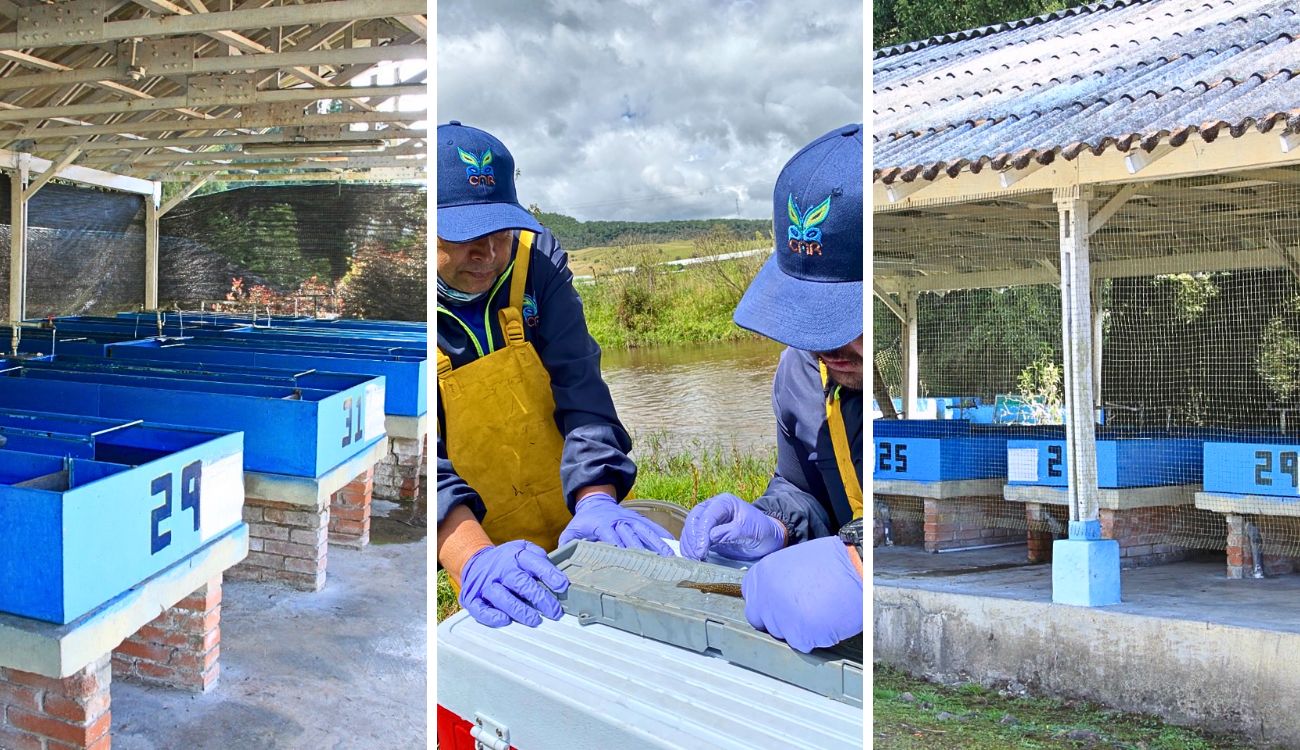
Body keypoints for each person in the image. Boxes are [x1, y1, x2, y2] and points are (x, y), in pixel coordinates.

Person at [436, 122, 673, 629]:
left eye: (499, 232)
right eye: (465, 238)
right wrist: (473, 560)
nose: (488, 255)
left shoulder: (536, 265)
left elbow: (581, 390)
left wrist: (596, 502)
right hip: (476, 531)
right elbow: (416, 459)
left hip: (576, 517)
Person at [679, 124, 865, 654]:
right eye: (806, 317)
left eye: (844, 318)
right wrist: (773, 521)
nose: (824, 346)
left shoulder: (927, 368)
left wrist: (861, 560)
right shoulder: (798, 372)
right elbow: (802, 488)